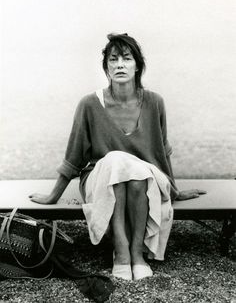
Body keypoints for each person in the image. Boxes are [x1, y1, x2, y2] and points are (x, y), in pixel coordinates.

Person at [29, 33, 206, 281]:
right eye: (113, 59)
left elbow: (161, 152)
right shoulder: (89, 104)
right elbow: (74, 155)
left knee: (136, 175)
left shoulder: (155, 102)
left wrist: (174, 191)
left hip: (145, 180)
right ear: (107, 68)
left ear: (137, 66)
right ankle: (121, 252)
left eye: (126, 58)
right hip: (101, 176)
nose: (120, 64)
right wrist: (53, 196)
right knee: (115, 161)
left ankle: (136, 252)